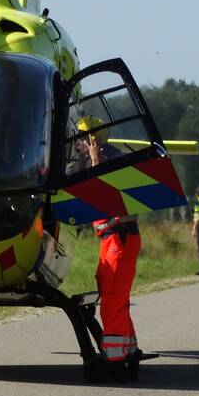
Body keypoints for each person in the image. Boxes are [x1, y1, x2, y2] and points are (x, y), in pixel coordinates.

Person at [76, 115, 143, 370]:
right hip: (112, 239)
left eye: (83, 140)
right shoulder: (102, 162)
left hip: (119, 237)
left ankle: (115, 359)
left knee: (113, 300)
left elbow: (103, 192)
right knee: (115, 298)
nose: (79, 145)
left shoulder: (112, 164)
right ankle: (128, 350)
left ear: (93, 140)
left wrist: (94, 162)